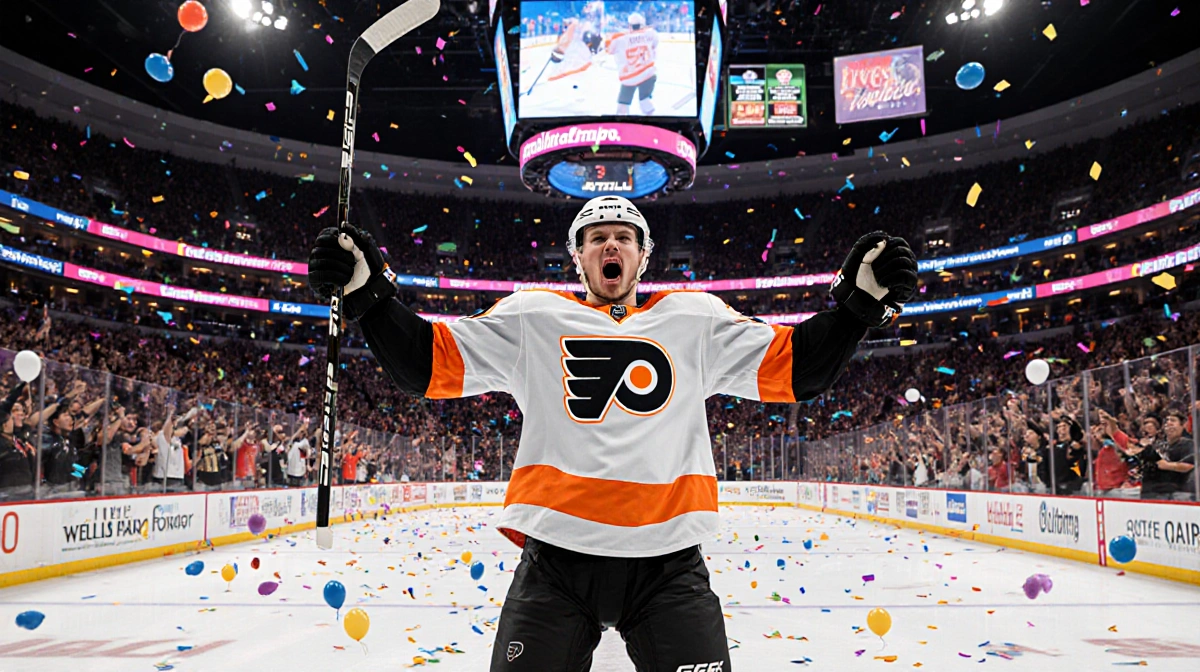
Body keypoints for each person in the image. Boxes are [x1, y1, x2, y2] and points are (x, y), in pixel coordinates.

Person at [308, 194, 918, 672]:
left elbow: (799, 369)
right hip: (556, 562)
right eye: (596, 237)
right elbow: (426, 363)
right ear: (578, 257)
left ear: (641, 256)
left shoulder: (694, 318)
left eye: (623, 237)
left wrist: (855, 308)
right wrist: (368, 295)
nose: (610, 245)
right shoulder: (533, 315)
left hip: (669, 566)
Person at [605, 12, 659, 115]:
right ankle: (653, 123)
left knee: (623, 106)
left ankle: (622, 124)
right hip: (648, 73)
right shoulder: (651, 34)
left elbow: (609, 50)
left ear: (629, 25)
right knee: (645, 101)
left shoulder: (619, 38)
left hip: (630, 76)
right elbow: (654, 45)